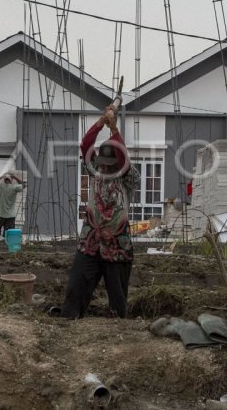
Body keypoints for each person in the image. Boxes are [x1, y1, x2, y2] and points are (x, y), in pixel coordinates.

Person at [59, 106, 139, 319]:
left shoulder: (128, 177)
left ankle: (118, 324)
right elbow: (85, 144)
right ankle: (70, 317)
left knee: (117, 298)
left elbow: (123, 157)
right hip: (90, 241)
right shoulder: (93, 168)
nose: (103, 169)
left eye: (108, 166)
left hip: (117, 245)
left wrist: (114, 129)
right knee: (77, 286)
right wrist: (101, 122)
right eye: (101, 165)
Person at [0, 172, 24, 240]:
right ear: (11, 180)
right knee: (9, 234)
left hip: (0, 214)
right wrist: (15, 177)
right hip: (10, 216)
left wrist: (0, 177)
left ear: (4, 180)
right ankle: (7, 247)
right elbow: (23, 185)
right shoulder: (14, 188)